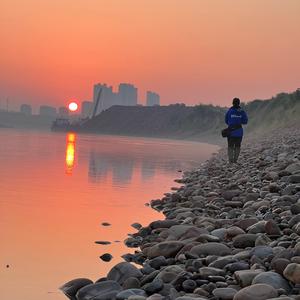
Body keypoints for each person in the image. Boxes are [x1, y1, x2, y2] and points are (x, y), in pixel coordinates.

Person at [225, 98, 248, 163]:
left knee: (230, 146)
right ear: (239, 103)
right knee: (237, 146)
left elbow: (226, 121)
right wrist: (239, 120)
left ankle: (230, 161)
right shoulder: (242, 111)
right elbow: (245, 121)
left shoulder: (229, 111)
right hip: (239, 132)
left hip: (230, 131)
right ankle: (235, 160)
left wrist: (232, 122)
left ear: (232, 103)